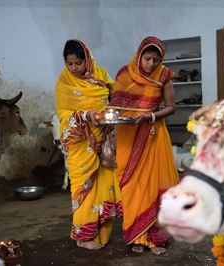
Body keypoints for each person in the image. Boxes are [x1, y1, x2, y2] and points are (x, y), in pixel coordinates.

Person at [109, 36, 179, 255]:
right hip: (128, 136)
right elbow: (115, 108)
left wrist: (150, 116)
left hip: (153, 134)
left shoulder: (165, 76)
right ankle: (136, 236)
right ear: (139, 55)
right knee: (131, 186)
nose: (151, 64)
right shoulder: (124, 74)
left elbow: (171, 107)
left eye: (156, 60)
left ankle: (155, 238)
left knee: (154, 185)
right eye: (147, 58)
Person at [55, 39, 121, 250]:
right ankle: (83, 236)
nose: (74, 68)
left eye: (78, 63)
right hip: (81, 144)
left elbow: (115, 99)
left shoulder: (101, 75)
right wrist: (85, 115)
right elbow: (63, 114)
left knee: (105, 186)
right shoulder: (64, 82)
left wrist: (108, 114)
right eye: (69, 64)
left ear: (88, 60)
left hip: (103, 139)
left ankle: (101, 231)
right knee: (82, 187)